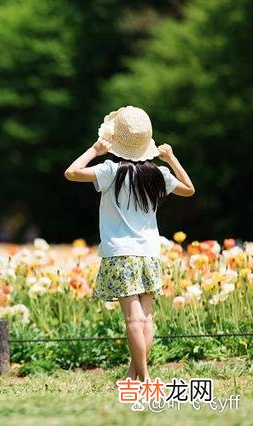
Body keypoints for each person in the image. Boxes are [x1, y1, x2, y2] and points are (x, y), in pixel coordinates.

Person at [63, 106, 195, 383]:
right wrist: (171, 158)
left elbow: (71, 173)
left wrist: (95, 150)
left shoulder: (111, 171)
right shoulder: (158, 174)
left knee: (133, 319)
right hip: (149, 252)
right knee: (146, 318)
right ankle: (134, 374)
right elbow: (189, 189)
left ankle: (144, 377)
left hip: (121, 253)